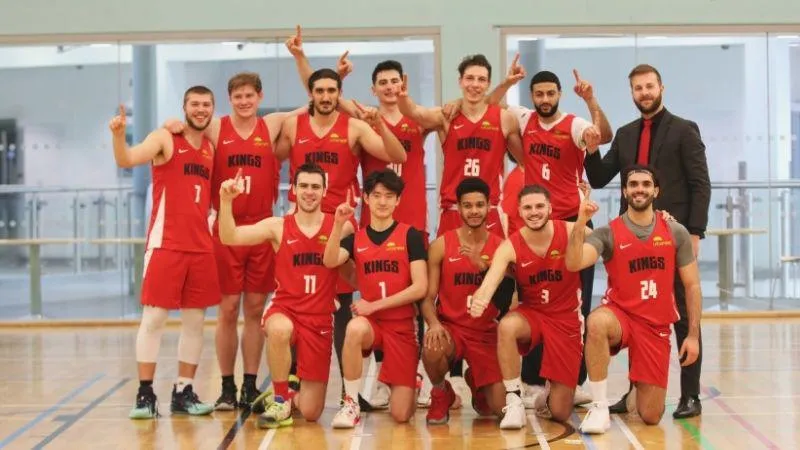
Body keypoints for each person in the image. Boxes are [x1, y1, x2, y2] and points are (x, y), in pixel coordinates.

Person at [166, 72, 303, 411]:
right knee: (227, 310)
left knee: (255, 310)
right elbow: (186, 125)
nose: (244, 101)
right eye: (237, 96)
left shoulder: (270, 125)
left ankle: (250, 385)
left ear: (259, 97)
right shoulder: (217, 128)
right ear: (230, 100)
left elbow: (312, 107)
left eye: (249, 96)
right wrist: (171, 123)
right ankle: (227, 386)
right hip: (226, 229)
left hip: (261, 230)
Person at [582, 64, 710, 418]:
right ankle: (633, 391)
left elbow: (700, 184)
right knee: (634, 314)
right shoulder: (624, 135)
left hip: (672, 238)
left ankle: (690, 395)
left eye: (649, 86)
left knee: (683, 314)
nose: (644, 93)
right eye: (638, 88)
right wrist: (591, 149)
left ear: (661, 88)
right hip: (633, 243)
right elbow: (599, 175)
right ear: (632, 93)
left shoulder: (684, 130)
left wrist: (695, 231)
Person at [565, 165, 702, 433]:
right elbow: (574, 263)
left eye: (646, 184)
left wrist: (693, 335)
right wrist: (581, 220)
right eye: (633, 184)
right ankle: (600, 406)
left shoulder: (676, 232)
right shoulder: (608, 232)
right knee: (596, 322)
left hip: (655, 325)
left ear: (656, 191)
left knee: (651, 416)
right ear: (625, 191)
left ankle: (634, 393)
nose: (639, 189)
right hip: (621, 315)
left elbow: (692, 285)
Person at [111, 86, 219, 419]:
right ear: (184, 107)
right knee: (154, 319)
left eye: (206, 105)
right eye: (195, 104)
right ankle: (145, 394)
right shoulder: (165, 138)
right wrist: (118, 135)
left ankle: (183, 390)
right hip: (167, 244)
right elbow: (127, 158)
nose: (200, 110)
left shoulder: (210, 149)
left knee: (195, 323)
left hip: (201, 247)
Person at [217, 162, 348, 428]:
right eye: (303, 186)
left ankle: (289, 394)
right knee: (278, 330)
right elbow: (230, 237)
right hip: (285, 309)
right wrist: (226, 201)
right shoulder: (278, 226)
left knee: (311, 412)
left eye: (315, 187)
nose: (309, 192)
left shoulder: (341, 226)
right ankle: (280, 398)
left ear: (325, 191)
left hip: (319, 319)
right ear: (293, 191)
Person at [469, 185, 586, 429]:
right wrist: (479, 297)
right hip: (533, 313)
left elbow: (609, 242)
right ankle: (514, 401)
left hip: (566, 319)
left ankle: (549, 395)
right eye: (528, 208)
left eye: (540, 206)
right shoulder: (511, 245)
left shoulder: (571, 230)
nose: (534, 212)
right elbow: (492, 278)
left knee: (560, 412)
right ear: (520, 212)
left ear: (551, 208)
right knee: (508, 326)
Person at [322, 169, 428, 427]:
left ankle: (408, 379)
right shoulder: (355, 239)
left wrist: (374, 304)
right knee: (354, 327)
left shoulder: (410, 236)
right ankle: (351, 403)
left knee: (402, 415)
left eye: (389, 196)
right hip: (372, 325)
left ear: (398, 200)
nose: (382, 201)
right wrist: (337, 224)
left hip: (402, 327)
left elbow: (420, 287)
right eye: (377, 195)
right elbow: (329, 260)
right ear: (366, 199)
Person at [397, 53, 524, 238]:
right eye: (469, 78)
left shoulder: (504, 118)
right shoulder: (446, 116)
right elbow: (415, 112)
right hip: (453, 210)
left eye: (481, 79)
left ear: (488, 84)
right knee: (450, 266)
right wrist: (403, 98)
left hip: (489, 210)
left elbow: (524, 160)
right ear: (460, 81)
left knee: (494, 266)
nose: (475, 84)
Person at [420, 177, 513, 424]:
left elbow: (507, 300)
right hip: (452, 329)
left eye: (479, 205)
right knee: (432, 346)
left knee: (499, 409)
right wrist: (434, 324)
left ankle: (476, 382)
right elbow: (428, 298)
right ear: (459, 208)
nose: (474, 211)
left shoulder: (502, 247)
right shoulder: (441, 245)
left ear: (489, 207)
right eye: (468, 205)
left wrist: (483, 266)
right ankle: (441, 392)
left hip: (485, 333)